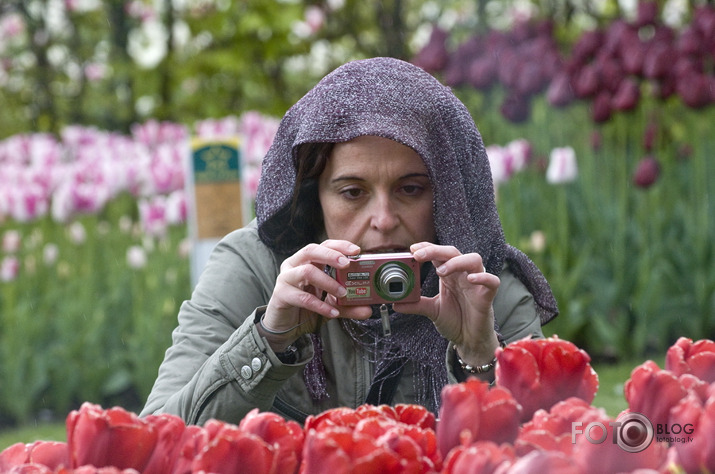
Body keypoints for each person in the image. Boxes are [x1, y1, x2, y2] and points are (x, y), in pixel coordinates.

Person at [141, 57, 558, 425]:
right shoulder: (255, 267)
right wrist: (269, 339)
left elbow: (558, 447)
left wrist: (481, 356)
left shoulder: (481, 284)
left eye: (410, 189)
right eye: (352, 192)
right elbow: (156, 440)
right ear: (312, 195)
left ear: (446, 193)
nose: (383, 220)